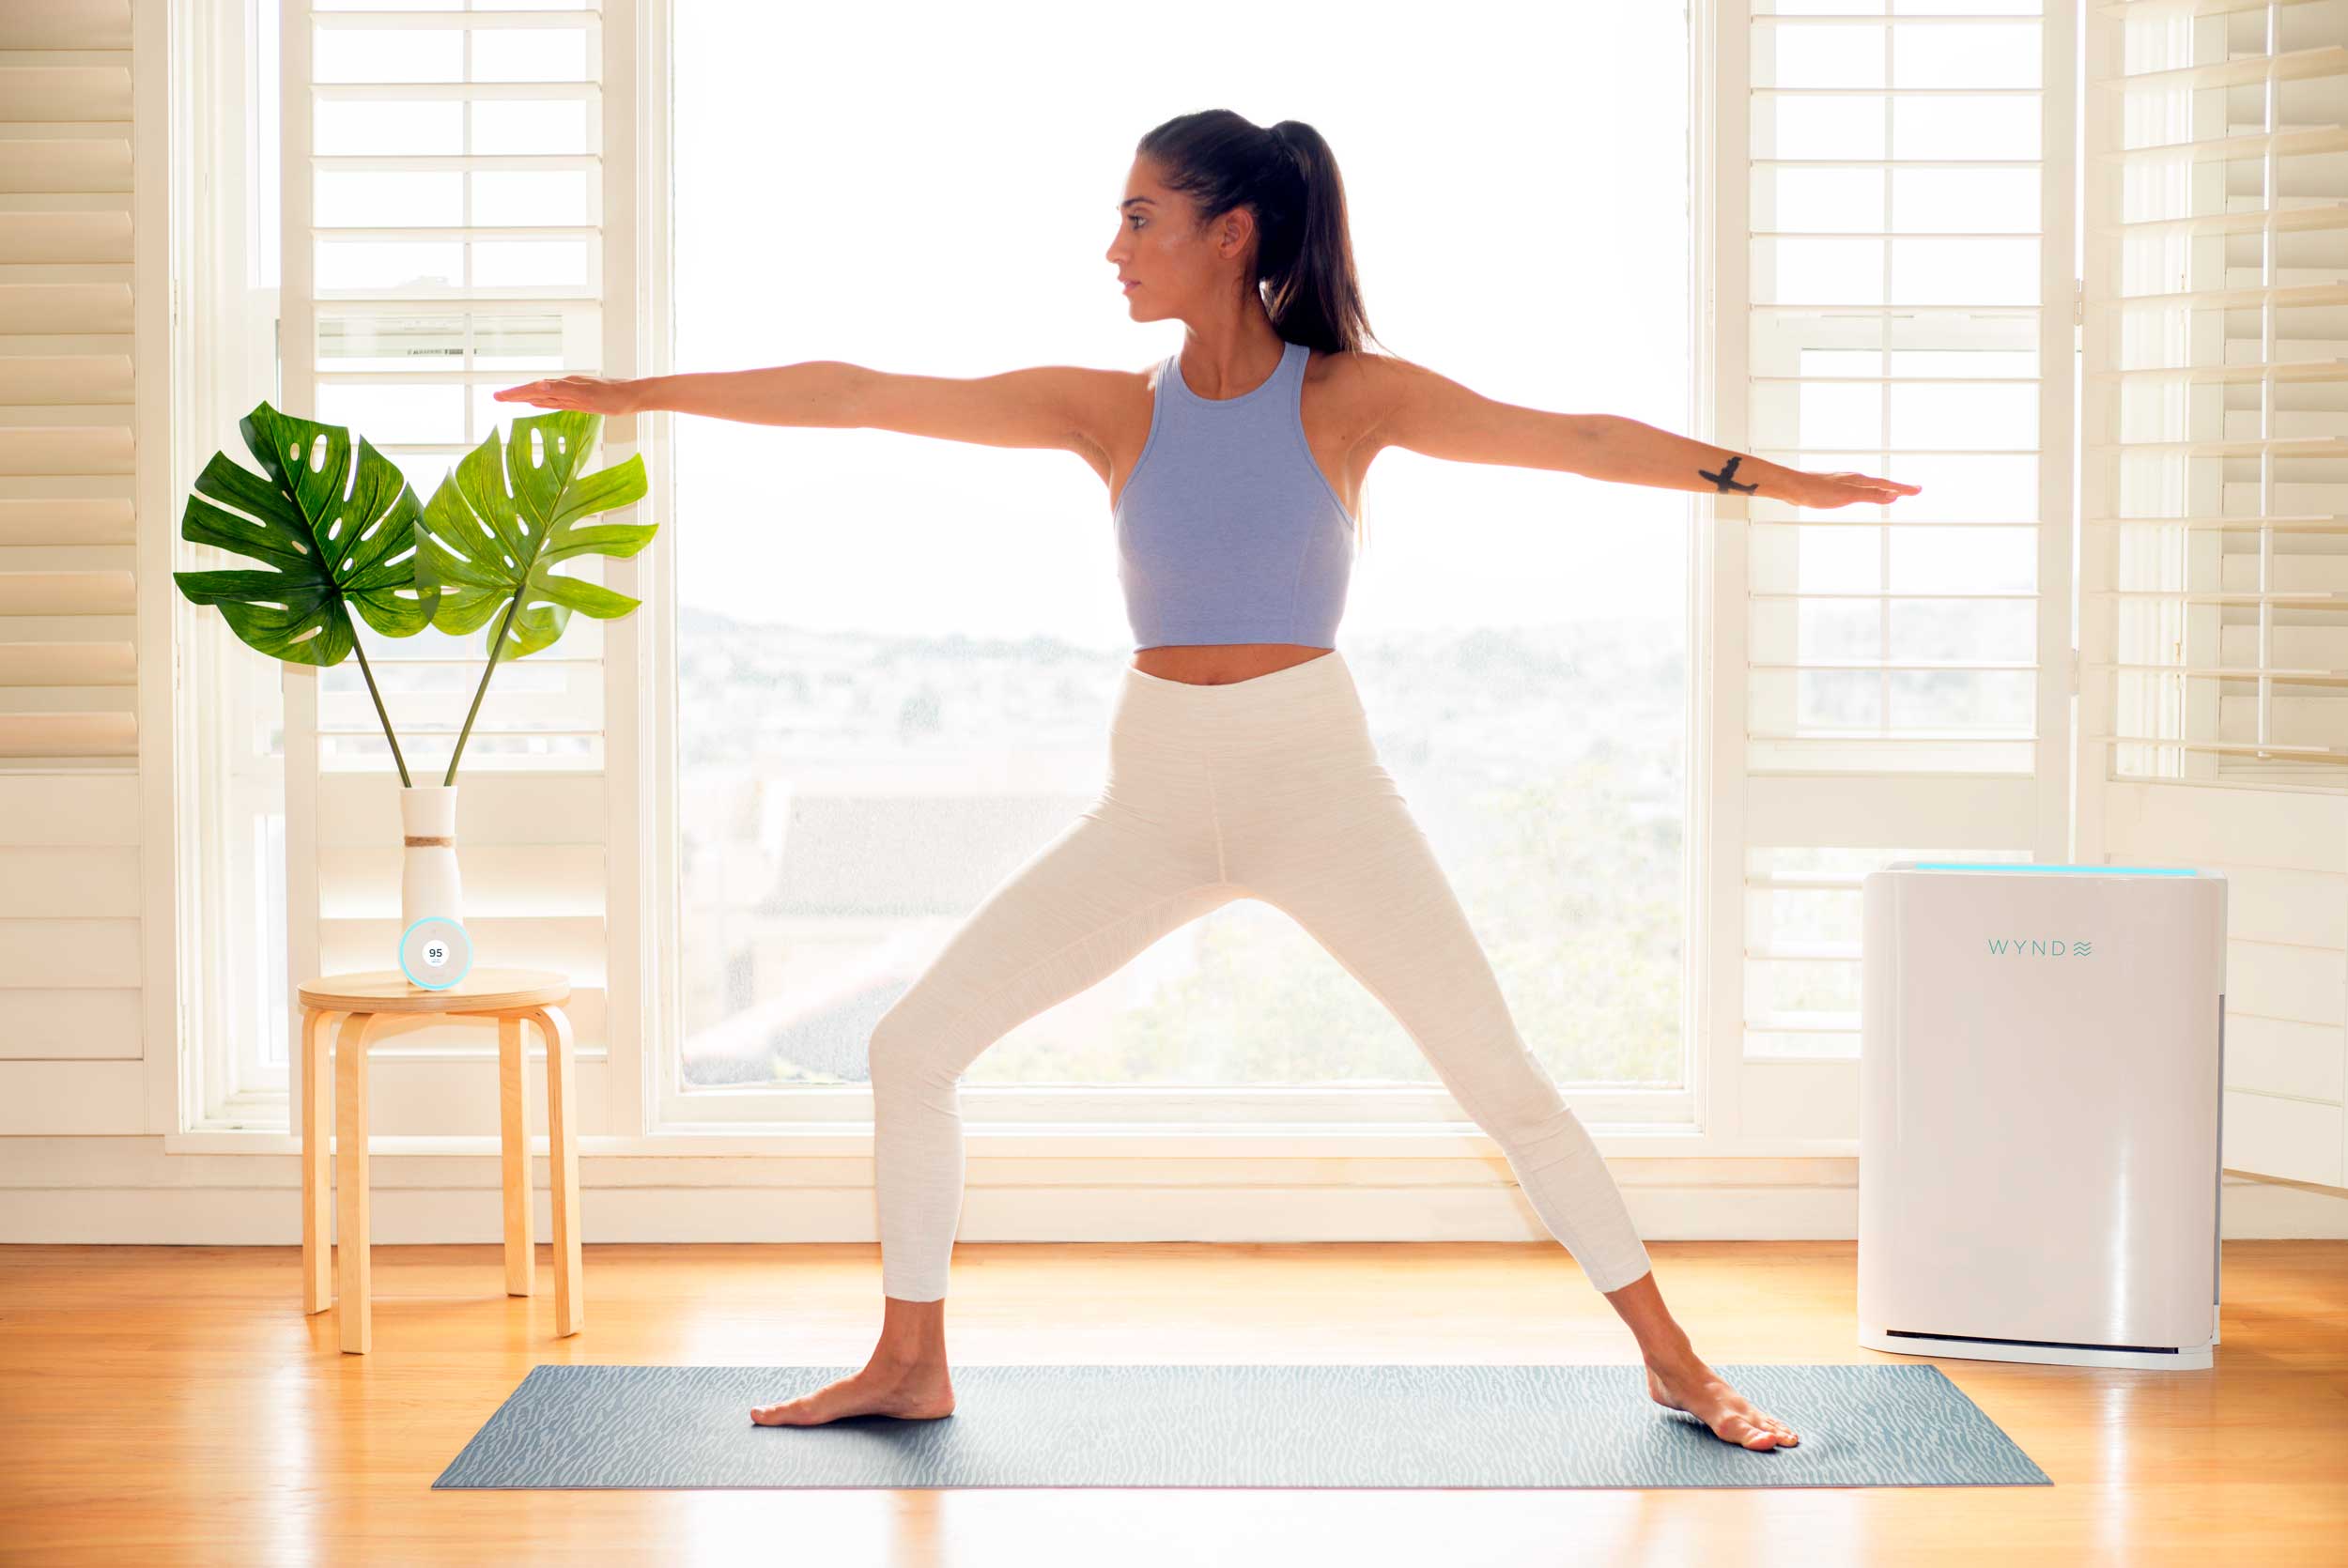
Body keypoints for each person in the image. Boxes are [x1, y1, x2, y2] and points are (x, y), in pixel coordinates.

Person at [498, 110, 1918, 1453]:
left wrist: (1782, 483)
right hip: (1155, 798)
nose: (1112, 248)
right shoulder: (1113, 411)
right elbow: (862, 395)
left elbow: (1583, 439)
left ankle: (1676, 1357)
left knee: (1505, 1082)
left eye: (1138, 217)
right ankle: (910, 1357)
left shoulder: (1352, 398)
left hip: (1320, 786)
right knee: (911, 1046)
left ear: (1232, 232)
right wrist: (630, 395)